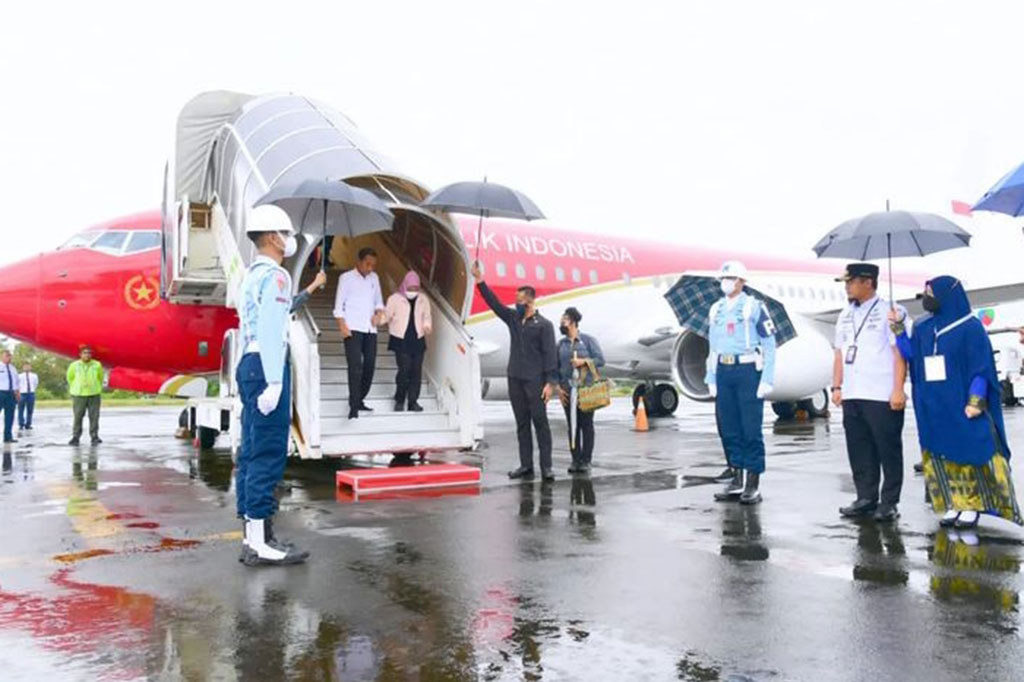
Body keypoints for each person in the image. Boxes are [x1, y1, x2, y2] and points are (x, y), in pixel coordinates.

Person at [890, 276, 1022, 530]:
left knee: (969, 453)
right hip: (932, 405)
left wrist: (975, 401)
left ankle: (972, 505)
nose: (926, 297)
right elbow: (912, 356)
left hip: (960, 405)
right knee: (942, 455)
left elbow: (980, 368)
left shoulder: (970, 327)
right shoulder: (923, 326)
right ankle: (953, 503)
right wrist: (898, 330)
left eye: (931, 292)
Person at [235, 203, 309, 566]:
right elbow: (269, 328)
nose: (289, 239)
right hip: (267, 364)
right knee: (267, 453)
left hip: (249, 363)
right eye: (286, 233)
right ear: (271, 236)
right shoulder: (277, 276)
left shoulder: (250, 275)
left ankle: (253, 536)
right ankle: (262, 544)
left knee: (250, 451)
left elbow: (267, 316)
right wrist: (276, 381)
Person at [832, 263, 908, 523]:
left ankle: (889, 502)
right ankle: (866, 497)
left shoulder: (892, 312)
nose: (846, 287)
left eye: (850, 282)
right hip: (853, 393)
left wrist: (898, 389)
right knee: (859, 448)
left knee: (887, 449)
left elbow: (899, 354)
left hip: (881, 392)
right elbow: (840, 353)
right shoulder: (844, 315)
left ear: (868, 282)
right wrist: (837, 386)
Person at [471, 261, 558, 481]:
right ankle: (526, 465)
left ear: (530, 300)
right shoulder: (513, 319)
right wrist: (480, 281)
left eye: (520, 300)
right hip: (515, 378)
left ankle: (546, 466)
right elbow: (495, 304)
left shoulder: (544, 325)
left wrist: (550, 383)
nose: (516, 303)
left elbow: (550, 355)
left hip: (535, 381)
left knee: (540, 423)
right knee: (521, 424)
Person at [705, 261, 777, 504]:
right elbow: (712, 346)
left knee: (750, 428)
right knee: (729, 427)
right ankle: (736, 479)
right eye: (724, 278)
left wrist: (767, 377)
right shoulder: (716, 309)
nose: (726, 282)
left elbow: (769, 343)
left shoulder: (754, 307)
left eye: (732, 278)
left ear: (742, 282)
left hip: (747, 370)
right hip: (723, 370)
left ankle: (753, 483)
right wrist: (711, 377)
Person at [333, 247, 385, 419]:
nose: (370, 268)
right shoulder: (346, 278)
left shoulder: (374, 278)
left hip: (370, 329)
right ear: (359, 261)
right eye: (367, 264)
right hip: (352, 328)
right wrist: (342, 326)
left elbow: (379, 302)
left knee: (369, 365)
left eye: (373, 265)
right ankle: (353, 406)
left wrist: (378, 314)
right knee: (355, 367)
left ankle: (359, 398)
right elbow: (339, 305)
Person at [556, 306, 605, 474]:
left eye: (565, 320)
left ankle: (586, 460)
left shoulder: (588, 340)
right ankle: (575, 460)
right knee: (572, 426)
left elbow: (600, 360)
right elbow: (555, 367)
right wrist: (557, 388)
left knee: (586, 425)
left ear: (573, 322)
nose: (562, 323)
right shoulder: (560, 344)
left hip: (586, 390)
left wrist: (583, 361)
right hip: (567, 391)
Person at [383, 271, 432, 412]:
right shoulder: (394, 299)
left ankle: (413, 401)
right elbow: (387, 315)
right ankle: (399, 399)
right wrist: (378, 319)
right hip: (400, 339)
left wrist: (427, 326)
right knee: (404, 370)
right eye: (411, 288)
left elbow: (427, 317)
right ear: (405, 285)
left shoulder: (423, 299)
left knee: (416, 371)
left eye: (416, 288)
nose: (413, 291)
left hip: (418, 339)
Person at [67, 345, 104, 446]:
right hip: (79, 395)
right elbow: (70, 378)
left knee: (94, 417)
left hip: (94, 394)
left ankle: (94, 436)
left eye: (89, 353)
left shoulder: (97, 365)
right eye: (85, 353)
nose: (87, 355)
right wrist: (76, 388)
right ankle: (75, 437)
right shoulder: (74, 365)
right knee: (78, 416)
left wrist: (96, 387)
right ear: (80, 355)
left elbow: (100, 378)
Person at [0, 350, 19, 444]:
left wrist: (17, 394)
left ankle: (8, 437)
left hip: (11, 394)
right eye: (7, 356)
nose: (9, 358)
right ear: (2, 357)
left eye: (10, 356)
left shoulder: (13, 368)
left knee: (10, 416)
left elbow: (16, 382)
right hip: (1, 393)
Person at [17, 362, 38, 431]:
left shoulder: (34, 376)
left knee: (30, 410)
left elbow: (35, 384)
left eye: (28, 366)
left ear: (30, 367)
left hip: (31, 393)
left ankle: (28, 424)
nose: (27, 368)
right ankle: (21, 424)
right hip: (22, 394)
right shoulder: (19, 376)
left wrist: (32, 391)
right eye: (25, 366)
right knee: (21, 410)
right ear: (23, 368)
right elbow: (17, 385)